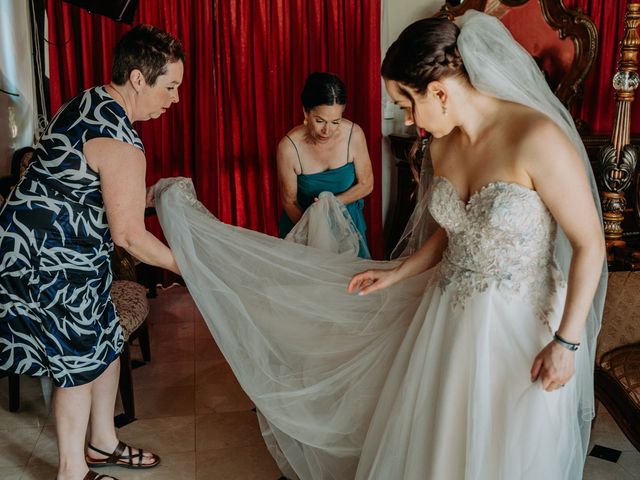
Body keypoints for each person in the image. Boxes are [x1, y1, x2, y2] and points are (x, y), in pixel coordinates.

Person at [152, 11, 606, 480]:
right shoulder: (444, 147)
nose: (408, 118)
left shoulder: (536, 138)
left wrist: (567, 341)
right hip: (449, 321)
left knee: (507, 445)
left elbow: (590, 244)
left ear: (440, 92)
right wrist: (399, 270)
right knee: (442, 442)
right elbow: (453, 232)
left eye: (407, 104)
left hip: (523, 327)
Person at [0, 25, 183, 480]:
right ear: (139, 79)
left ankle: (102, 444)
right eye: (172, 86)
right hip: (50, 262)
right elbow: (129, 236)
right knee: (78, 364)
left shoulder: (86, 101)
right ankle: (72, 471)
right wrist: (189, 267)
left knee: (105, 340)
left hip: (48, 250)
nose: (176, 98)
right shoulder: (122, 142)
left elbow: (84, 189)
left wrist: (154, 193)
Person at [277, 72, 373, 258]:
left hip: (348, 226)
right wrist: (315, 234)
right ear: (306, 112)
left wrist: (332, 203)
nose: (327, 130)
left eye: (335, 121)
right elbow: (289, 201)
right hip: (303, 227)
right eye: (319, 121)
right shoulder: (288, 148)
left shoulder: (354, 134)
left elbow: (367, 184)